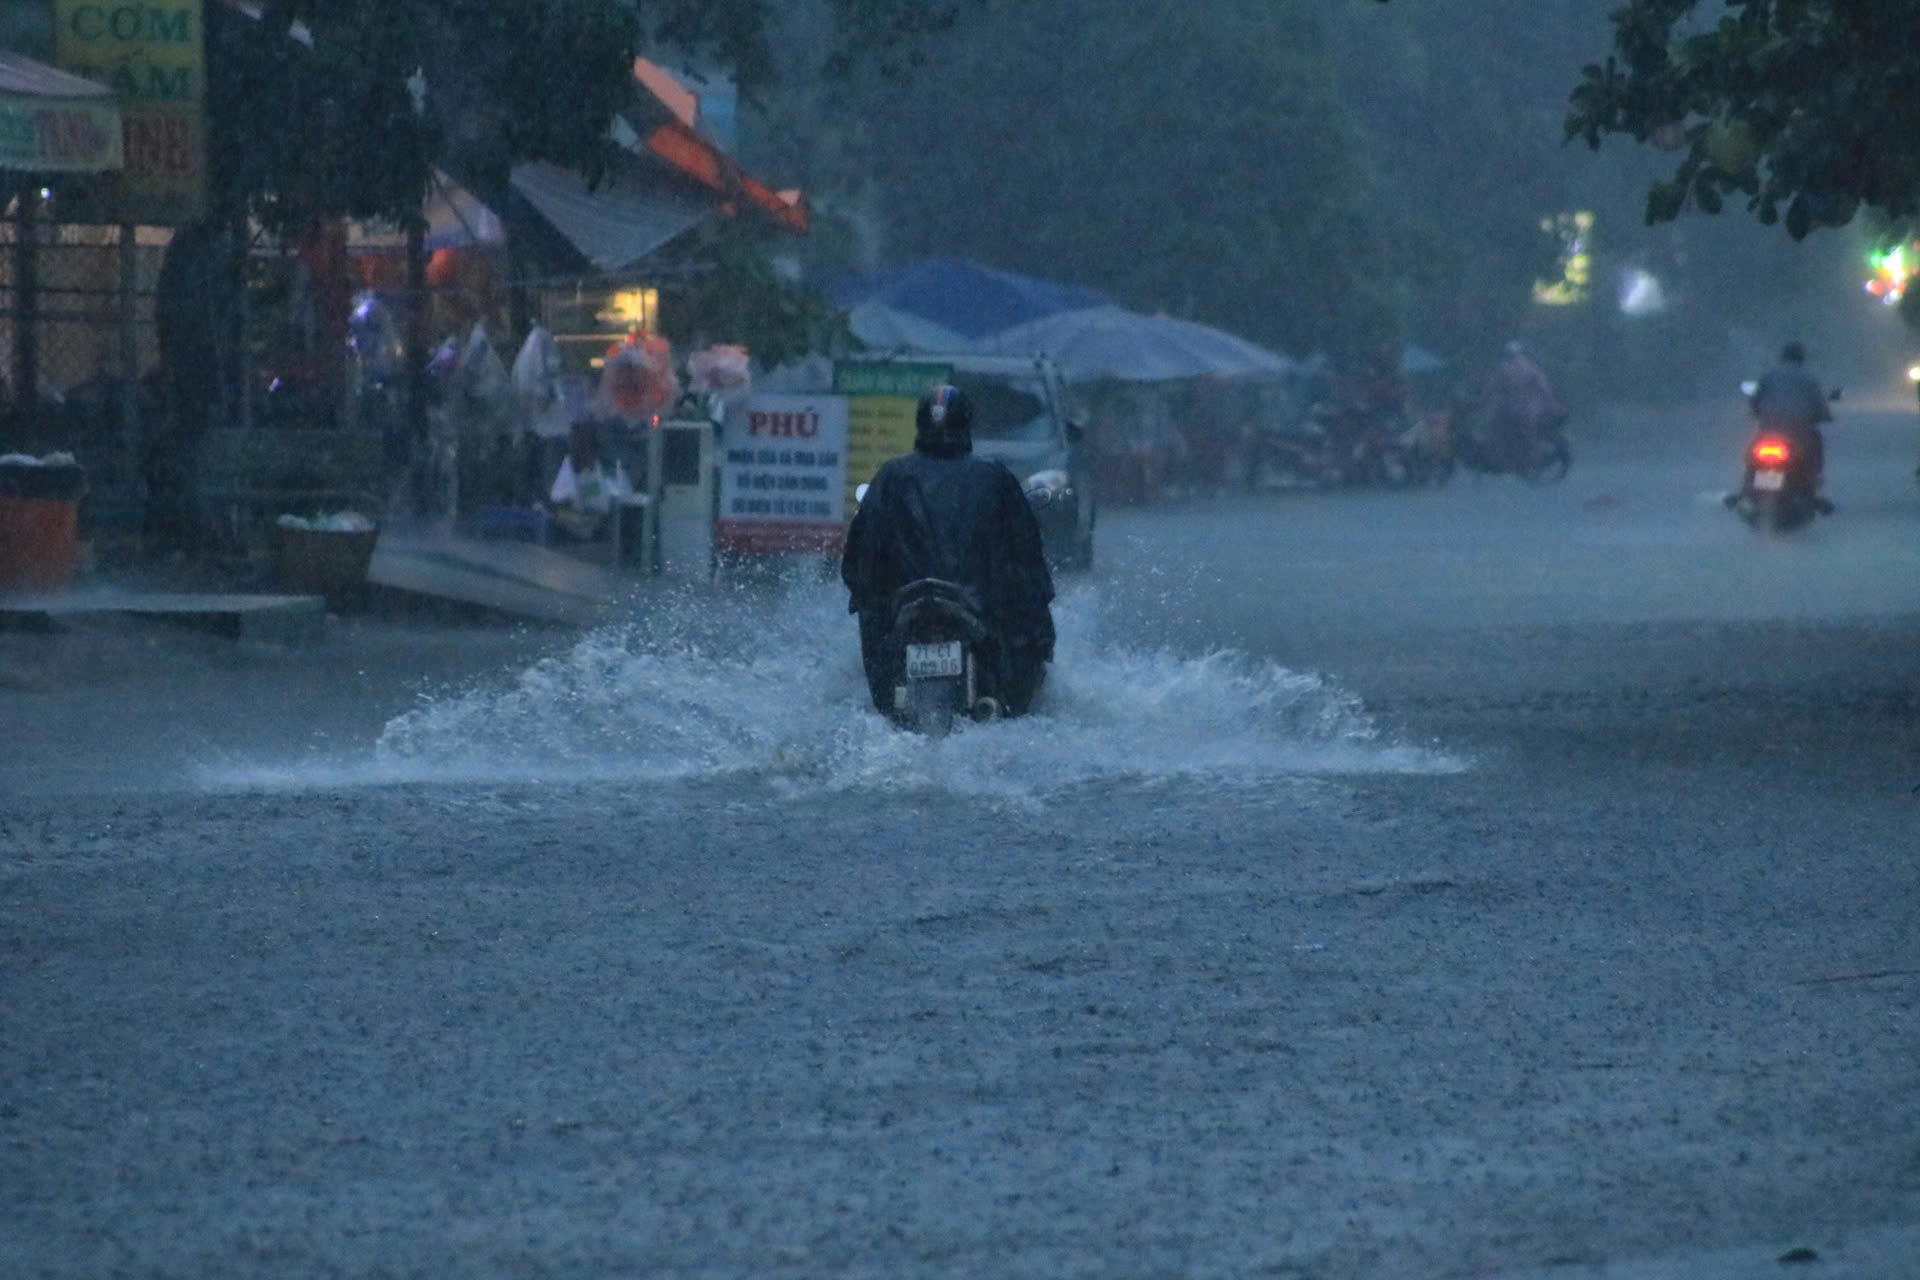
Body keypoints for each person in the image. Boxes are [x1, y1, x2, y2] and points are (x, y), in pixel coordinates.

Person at [841, 384, 1056, 718]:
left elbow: (858, 557)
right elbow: (1027, 555)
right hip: (977, 606)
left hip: (913, 608)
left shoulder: (892, 476)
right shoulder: (993, 476)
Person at [1745, 340, 1831, 496]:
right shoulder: (1809, 379)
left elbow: (1755, 403)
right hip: (1799, 433)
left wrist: (1758, 413)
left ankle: (1746, 489)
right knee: (1815, 442)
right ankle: (1813, 484)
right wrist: (1824, 416)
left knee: (1752, 451)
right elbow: (1820, 408)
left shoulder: (1768, 376)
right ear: (1801, 359)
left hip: (1769, 430)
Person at [1480, 340, 1566, 474]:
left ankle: (1502, 461)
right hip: (1529, 411)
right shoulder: (1531, 367)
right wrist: (1553, 404)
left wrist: (1483, 401)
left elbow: (1490, 388)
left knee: (1497, 434)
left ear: (1507, 354)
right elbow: (1544, 388)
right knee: (1528, 436)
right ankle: (1530, 459)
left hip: (1506, 410)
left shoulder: (1503, 368)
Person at [547, 420, 630, 542]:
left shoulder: (608, 468)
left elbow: (623, 496)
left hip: (606, 532)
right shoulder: (568, 464)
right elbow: (557, 497)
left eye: (584, 443)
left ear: (594, 446)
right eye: (575, 443)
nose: (579, 448)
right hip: (572, 535)